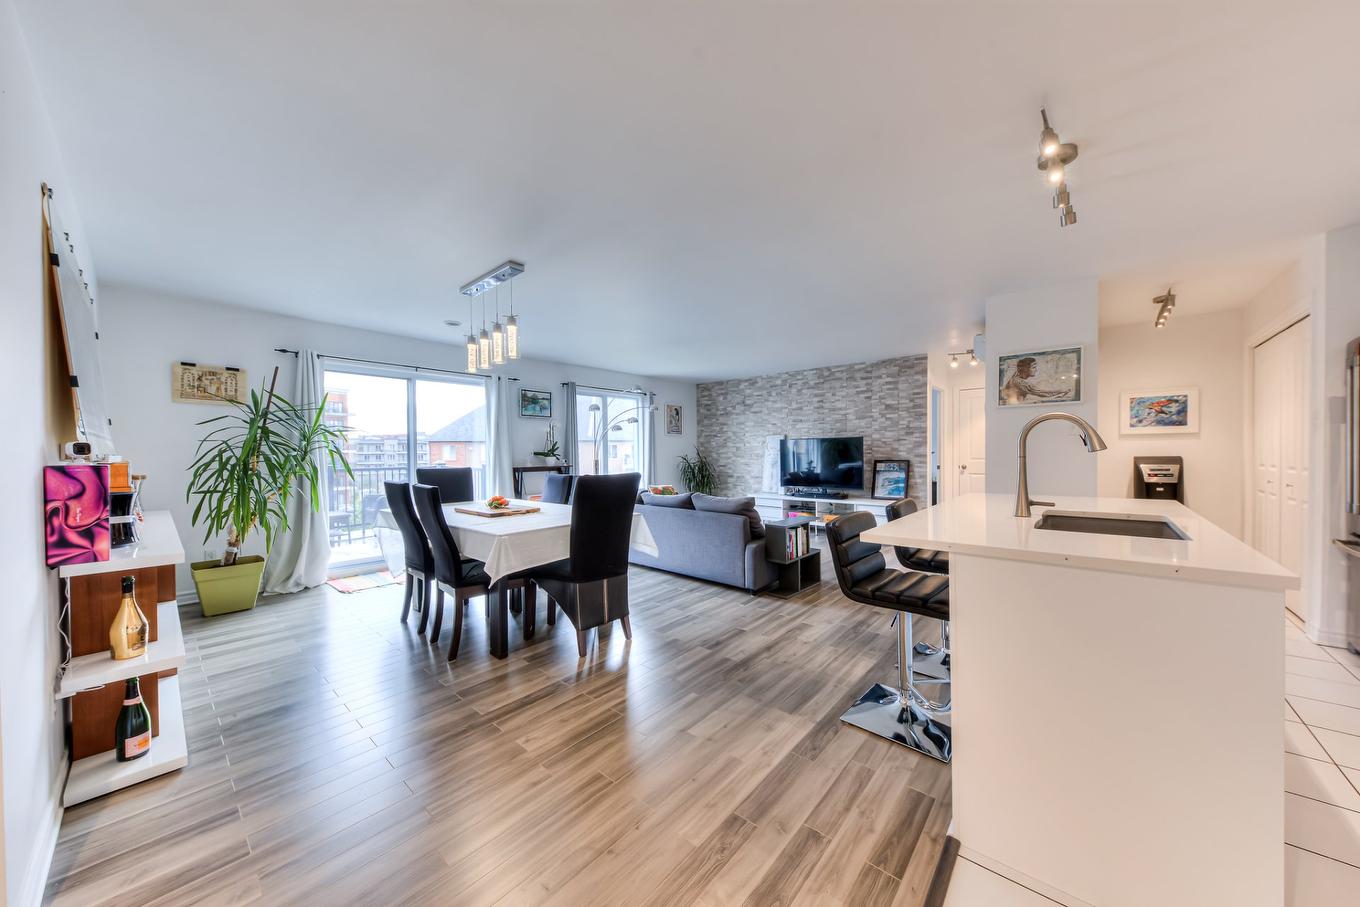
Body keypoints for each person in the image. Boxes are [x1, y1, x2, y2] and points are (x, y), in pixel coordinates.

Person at [1002, 357, 1072, 405]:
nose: (1036, 370)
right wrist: (1061, 391)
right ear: (1025, 369)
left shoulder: (1015, 379)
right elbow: (1043, 393)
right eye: (1033, 367)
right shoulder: (1018, 382)